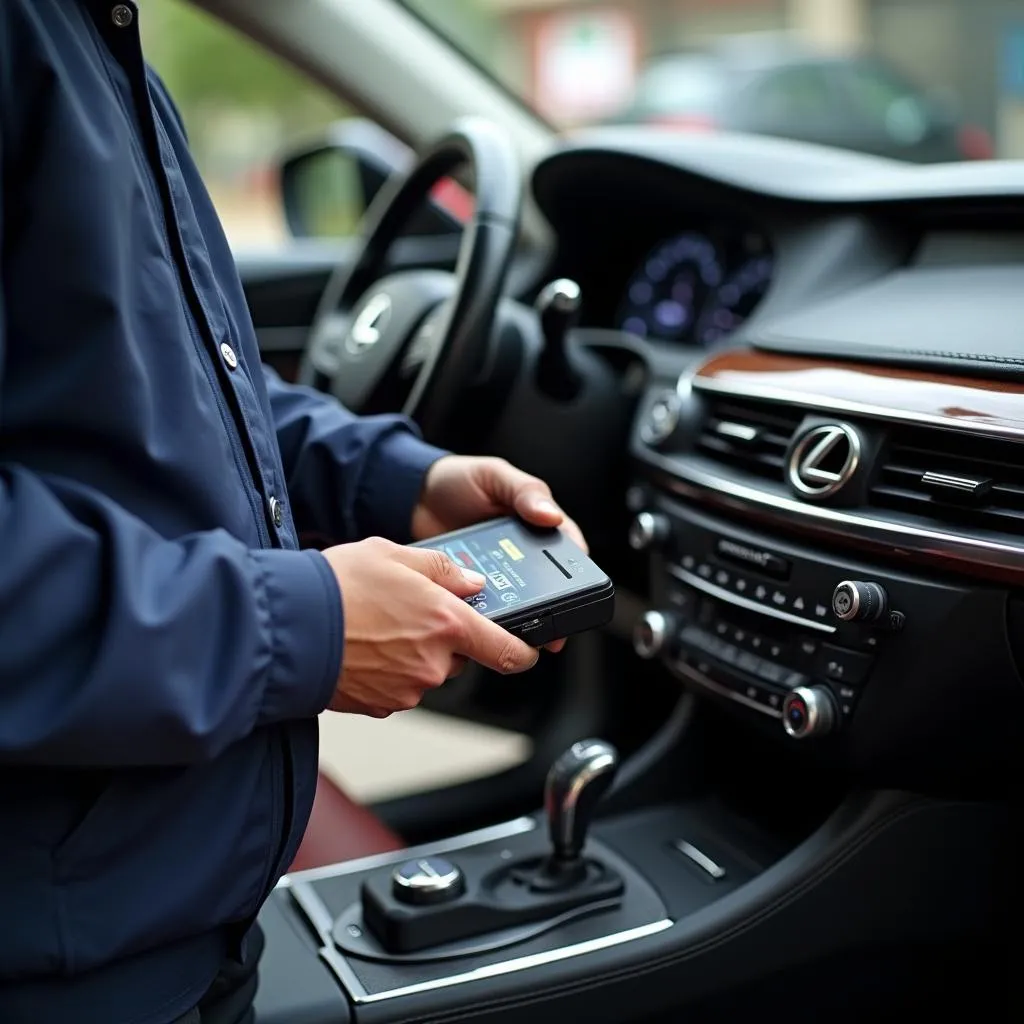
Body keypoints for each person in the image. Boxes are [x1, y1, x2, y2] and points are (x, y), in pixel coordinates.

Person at [0, 2, 585, 1021]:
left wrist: (391, 476)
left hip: (165, 913)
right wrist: (303, 626)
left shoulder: (95, 38)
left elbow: (162, 376)